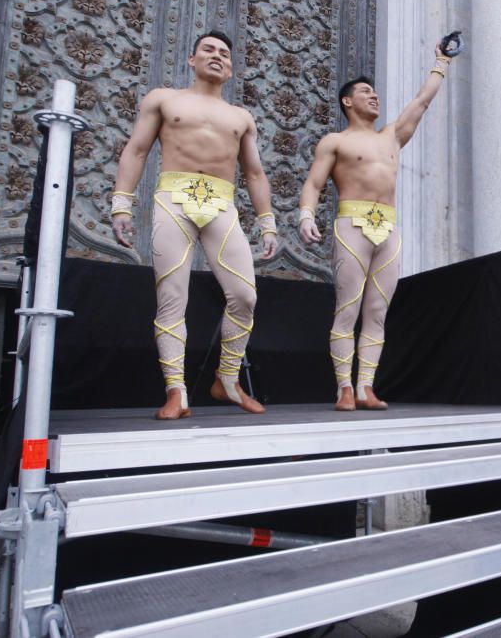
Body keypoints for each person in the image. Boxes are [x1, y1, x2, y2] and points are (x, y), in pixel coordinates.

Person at [111, 30, 278, 419]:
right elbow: (136, 150)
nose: (217, 56)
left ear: (232, 67)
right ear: (192, 59)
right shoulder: (164, 100)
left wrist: (267, 224)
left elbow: (254, 174)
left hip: (221, 204)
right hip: (174, 199)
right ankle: (176, 391)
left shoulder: (241, 117)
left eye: (224, 52)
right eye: (208, 49)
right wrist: (122, 203)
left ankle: (228, 379)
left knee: (245, 296)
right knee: (172, 297)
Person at [298, 45, 453, 412]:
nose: (374, 96)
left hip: (388, 228)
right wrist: (306, 215)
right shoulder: (335, 142)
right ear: (347, 101)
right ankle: (344, 388)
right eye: (366, 92)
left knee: (377, 312)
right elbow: (314, 184)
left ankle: (366, 386)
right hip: (352, 224)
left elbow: (422, 102)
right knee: (348, 308)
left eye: (376, 93)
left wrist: (441, 62)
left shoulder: (392, 136)